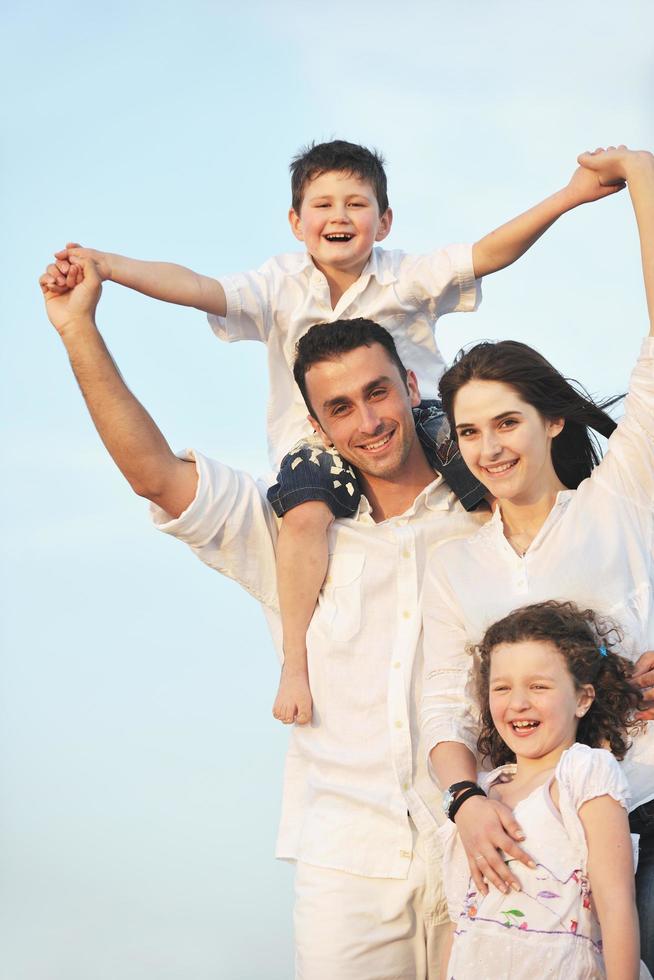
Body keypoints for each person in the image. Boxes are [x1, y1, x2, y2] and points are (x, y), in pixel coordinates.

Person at [41, 139, 623, 729]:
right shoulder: (277, 285)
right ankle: (296, 660)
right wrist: (110, 268)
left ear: (384, 219)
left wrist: (571, 196)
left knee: (505, 500)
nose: (339, 217)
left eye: (356, 203)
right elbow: (197, 288)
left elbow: (488, 252)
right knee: (303, 518)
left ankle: (570, 632)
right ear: (295, 223)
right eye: (322, 205)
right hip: (311, 447)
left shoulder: (405, 274)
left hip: (427, 421)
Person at [38, 246, 499, 977]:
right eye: (340, 408)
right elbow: (154, 475)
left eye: (380, 392)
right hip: (346, 862)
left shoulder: (492, 514)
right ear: (316, 424)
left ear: (412, 385)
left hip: (488, 842)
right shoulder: (285, 531)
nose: (370, 420)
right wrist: (78, 331)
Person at [420, 145, 654, 971]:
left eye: (507, 422)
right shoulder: (455, 568)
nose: (488, 446)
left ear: (552, 422)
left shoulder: (619, 499)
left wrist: (642, 179)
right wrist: (464, 805)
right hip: (529, 838)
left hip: (647, 806)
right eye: (470, 431)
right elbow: (446, 712)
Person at [438, 600, 649, 980]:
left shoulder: (583, 774)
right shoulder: (483, 797)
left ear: (583, 699)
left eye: (538, 686)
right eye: (501, 687)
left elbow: (617, 906)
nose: (518, 702)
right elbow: (462, 926)